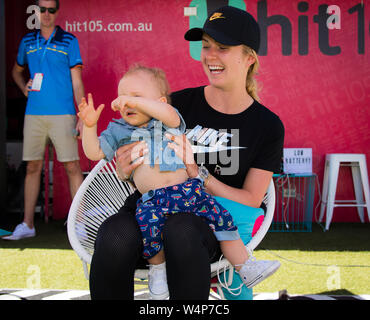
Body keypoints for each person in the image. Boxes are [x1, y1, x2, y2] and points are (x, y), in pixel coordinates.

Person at [89, 6, 284, 300]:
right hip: (149, 210)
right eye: (206, 46)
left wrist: (198, 174)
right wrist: (125, 167)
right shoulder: (175, 104)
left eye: (223, 47)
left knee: (181, 229)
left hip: (207, 223)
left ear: (249, 58)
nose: (210, 55)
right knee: (114, 233)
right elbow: (137, 155)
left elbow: (251, 199)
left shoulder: (267, 125)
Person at [4, 0, 85, 240]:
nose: (46, 14)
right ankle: (28, 224)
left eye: (51, 10)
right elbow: (16, 71)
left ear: (57, 12)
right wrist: (23, 89)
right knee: (32, 167)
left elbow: (77, 81)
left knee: (71, 166)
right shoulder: (27, 42)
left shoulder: (69, 41)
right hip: (34, 113)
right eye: (42, 9)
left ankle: (80, 225)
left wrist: (82, 114)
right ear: (36, 11)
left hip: (63, 113)